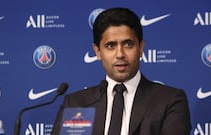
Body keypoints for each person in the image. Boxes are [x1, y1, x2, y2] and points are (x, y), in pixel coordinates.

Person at [51, 7, 191, 135]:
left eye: (128, 44)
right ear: (98, 51)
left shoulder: (169, 100)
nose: (120, 54)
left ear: (141, 48)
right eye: (110, 45)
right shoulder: (76, 103)